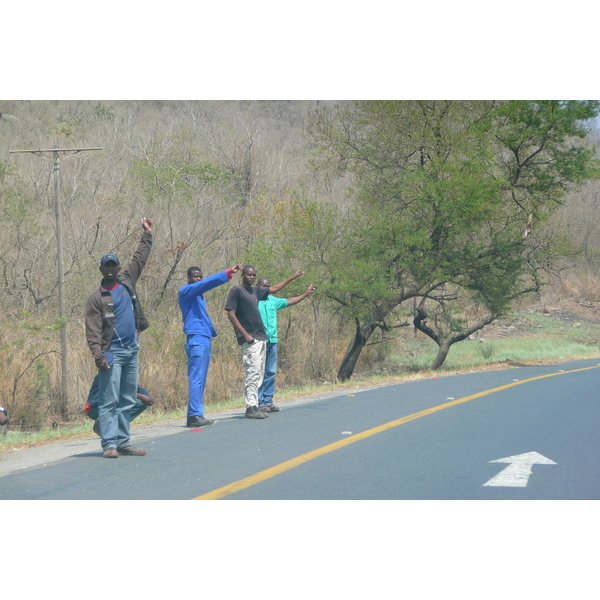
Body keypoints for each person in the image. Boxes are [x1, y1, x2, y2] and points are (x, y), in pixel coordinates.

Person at [85, 217, 153, 458]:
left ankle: (124, 442)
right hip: (111, 354)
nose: (112, 269)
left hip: (131, 351)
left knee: (126, 398)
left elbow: (140, 259)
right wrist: (98, 356)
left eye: (114, 265)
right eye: (108, 266)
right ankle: (109, 445)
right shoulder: (97, 298)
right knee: (109, 400)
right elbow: (92, 330)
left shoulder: (126, 282)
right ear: (102, 269)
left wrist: (147, 234)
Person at [224, 266, 305, 419]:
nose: (251, 277)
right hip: (250, 339)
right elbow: (231, 314)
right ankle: (251, 407)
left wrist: (292, 277)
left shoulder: (255, 291)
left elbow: (273, 289)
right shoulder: (237, 290)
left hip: (262, 338)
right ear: (242, 275)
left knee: (259, 374)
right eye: (248, 275)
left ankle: (255, 405)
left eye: (254, 275)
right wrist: (245, 334)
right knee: (252, 373)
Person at [178, 263, 242, 428]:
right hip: (196, 338)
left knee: (201, 378)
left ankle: (197, 413)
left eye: (200, 276)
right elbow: (205, 284)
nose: (198, 279)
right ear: (188, 278)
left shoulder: (200, 297)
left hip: (205, 337)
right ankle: (193, 415)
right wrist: (227, 273)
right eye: (195, 276)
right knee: (196, 377)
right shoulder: (185, 291)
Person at [256, 277, 315, 412]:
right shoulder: (254, 301)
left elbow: (290, 301)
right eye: (263, 286)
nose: (265, 288)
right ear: (257, 286)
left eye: (268, 286)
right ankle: (259, 402)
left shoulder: (273, 301)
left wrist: (306, 294)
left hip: (272, 341)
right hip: (259, 341)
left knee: (270, 371)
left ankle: (268, 400)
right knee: (259, 372)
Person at [85, 376, 154, 436]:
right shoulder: (108, 372)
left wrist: (147, 396)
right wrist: (140, 396)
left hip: (111, 406)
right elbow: (115, 393)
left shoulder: (125, 373)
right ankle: (102, 423)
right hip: (95, 408)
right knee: (119, 401)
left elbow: (136, 388)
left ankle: (116, 428)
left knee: (142, 403)